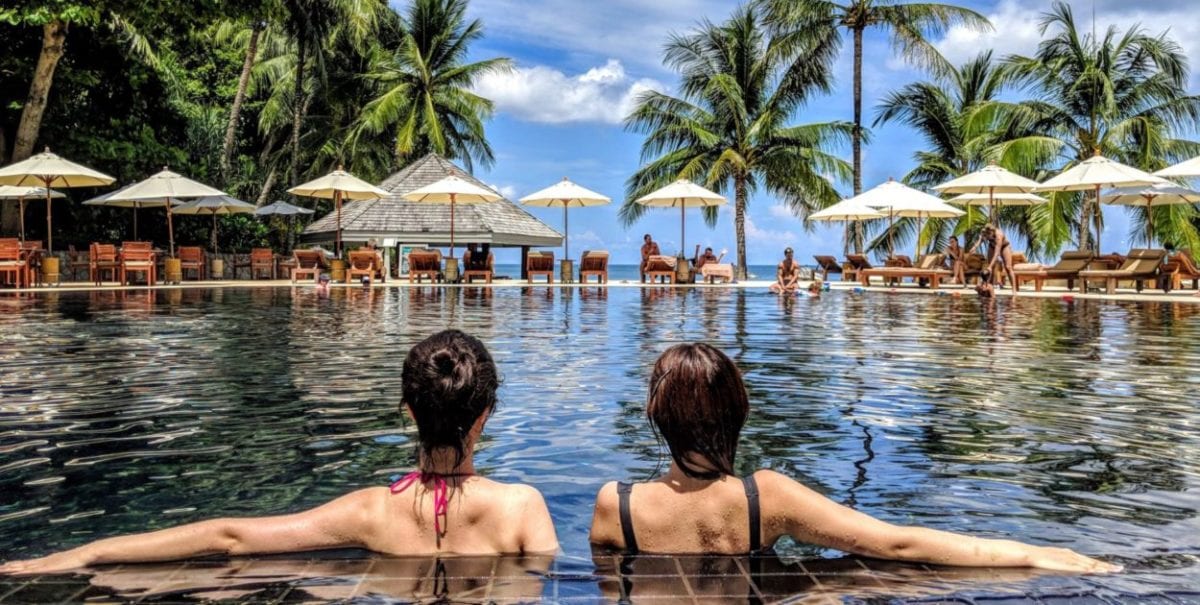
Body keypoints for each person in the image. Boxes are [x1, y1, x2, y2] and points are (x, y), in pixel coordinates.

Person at [0, 330, 559, 575]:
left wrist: (92, 552)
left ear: (409, 411)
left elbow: (230, 535)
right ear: (486, 414)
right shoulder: (521, 507)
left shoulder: (371, 511)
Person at [589, 343, 1119, 573]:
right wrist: (1028, 553)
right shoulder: (762, 497)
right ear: (739, 411)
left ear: (656, 415)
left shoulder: (617, 505)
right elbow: (895, 543)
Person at [972, 225, 1016, 291]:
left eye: (989, 234)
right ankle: (989, 288)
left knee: (1008, 267)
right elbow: (980, 240)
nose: (988, 237)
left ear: (993, 232)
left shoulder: (999, 235)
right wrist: (974, 247)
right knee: (991, 269)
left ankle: (1014, 290)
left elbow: (997, 253)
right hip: (992, 246)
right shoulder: (984, 232)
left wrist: (990, 266)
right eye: (987, 235)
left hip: (1004, 247)